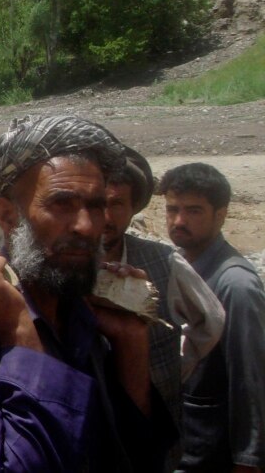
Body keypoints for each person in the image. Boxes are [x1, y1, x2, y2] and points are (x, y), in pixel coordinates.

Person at [0, 115, 174, 472]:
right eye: (61, 204)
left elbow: (139, 458)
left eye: (95, 205)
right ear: (8, 217)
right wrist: (19, 332)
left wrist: (131, 344)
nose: (88, 226)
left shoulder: (81, 320)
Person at [101, 149, 224, 471]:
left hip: (153, 430)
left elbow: (209, 322)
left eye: (117, 205)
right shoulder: (62, 267)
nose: (106, 218)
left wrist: (170, 368)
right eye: (98, 204)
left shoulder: (163, 262)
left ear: (132, 209)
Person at [160, 163, 265, 471]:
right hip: (184, 447)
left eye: (193, 211)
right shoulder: (177, 267)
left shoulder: (234, 284)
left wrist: (249, 459)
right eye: (172, 209)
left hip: (211, 455)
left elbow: (250, 378)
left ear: (220, 215)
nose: (179, 221)